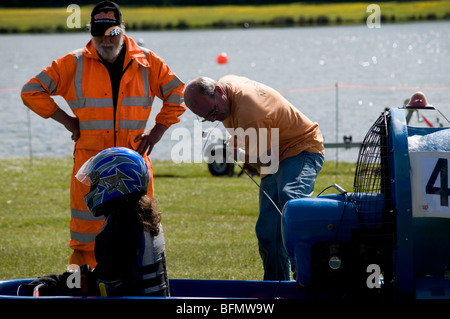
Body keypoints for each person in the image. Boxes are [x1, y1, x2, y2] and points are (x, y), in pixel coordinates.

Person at [21, 1, 185, 269]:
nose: (106, 40)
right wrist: (67, 121)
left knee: (141, 234)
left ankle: (142, 288)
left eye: (112, 33)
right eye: (98, 34)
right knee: (88, 240)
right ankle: (86, 289)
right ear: (90, 32)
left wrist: (157, 131)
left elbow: (178, 94)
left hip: (134, 167)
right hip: (91, 169)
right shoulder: (71, 63)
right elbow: (31, 91)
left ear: (122, 29)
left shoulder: (148, 62)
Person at [184, 75, 325, 281]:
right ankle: (275, 288)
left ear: (219, 92)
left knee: (291, 198)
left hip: (301, 148)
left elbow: (267, 161)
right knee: (268, 231)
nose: (214, 120)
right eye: (207, 118)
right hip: (274, 151)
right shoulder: (225, 91)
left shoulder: (249, 110)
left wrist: (236, 155)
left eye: (214, 113)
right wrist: (233, 143)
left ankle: (308, 273)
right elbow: (242, 132)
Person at [20, 147, 169, 297]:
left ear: (113, 183)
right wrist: (63, 279)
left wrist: (59, 282)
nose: (92, 189)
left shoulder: (119, 228)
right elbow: (109, 272)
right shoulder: (143, 218)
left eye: (95, 182)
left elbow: (103, 284)